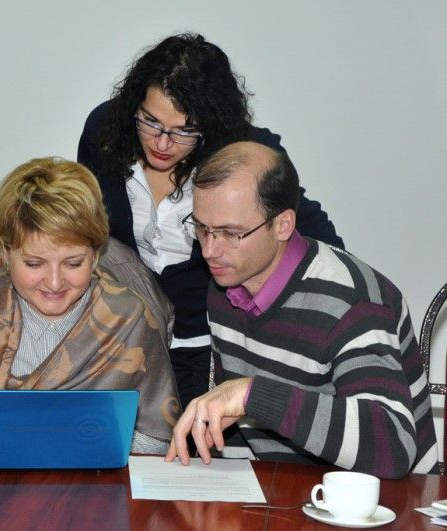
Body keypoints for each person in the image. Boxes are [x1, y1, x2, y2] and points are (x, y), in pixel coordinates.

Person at [77, 33, 345, 409]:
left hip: (213, 349)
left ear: (211, 123)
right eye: (150, 121)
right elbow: (85, 225)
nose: (162, 143)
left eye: (185, 131)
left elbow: (320, 242)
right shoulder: (105, 133)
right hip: (127, 342)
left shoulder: (245, 158)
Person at [165, 141, 437, 478]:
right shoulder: (225, 286)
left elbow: (392, 447)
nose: (209, 250)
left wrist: (253, 394)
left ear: (283, 224)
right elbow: (240, 428)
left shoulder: (351, 300)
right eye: (201, 228)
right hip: (284, 488)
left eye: (230, 233)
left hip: (383, 496)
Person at [0, 157, 180, 453]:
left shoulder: (130, 320)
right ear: (5, 252)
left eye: (73, 263)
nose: (54, 283)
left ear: (96, 253)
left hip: (95, 480)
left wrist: (83, 437)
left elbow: (160, 440)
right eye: (34, 263)